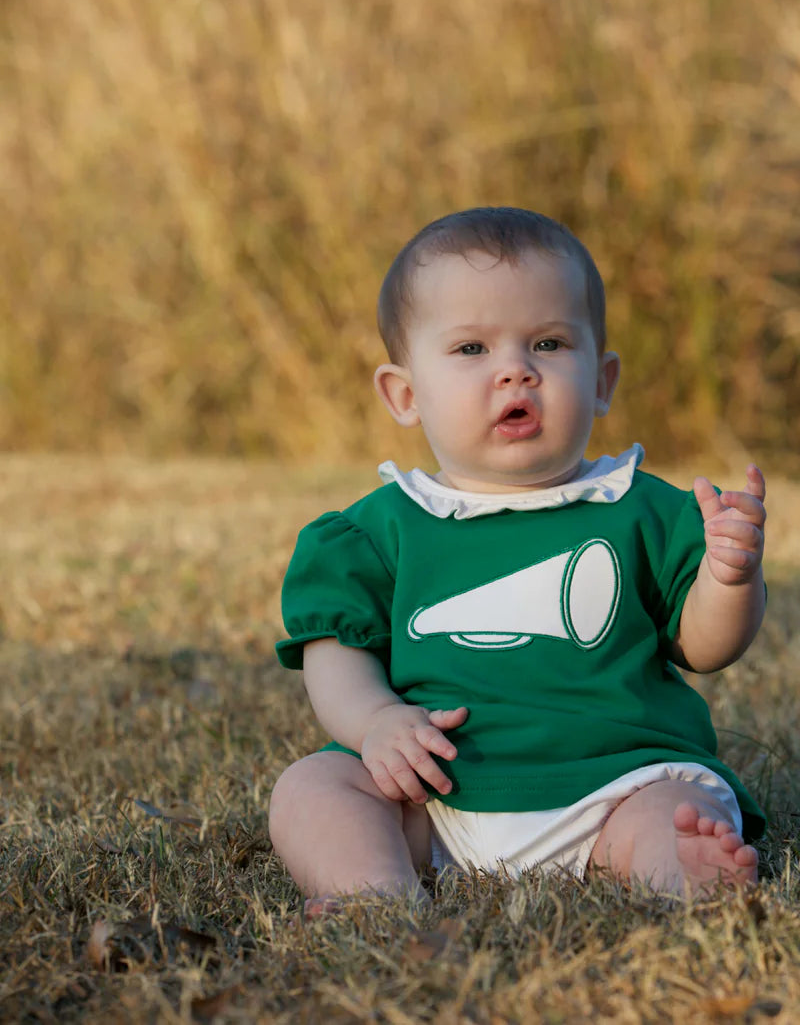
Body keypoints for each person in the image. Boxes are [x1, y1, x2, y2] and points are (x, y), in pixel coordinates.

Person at [269, 207, 767, 914]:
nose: (515, 372)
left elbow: (706, 647)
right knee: (313, 790)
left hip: (614, 783)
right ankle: (376, 897)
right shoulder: (376, 531)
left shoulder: (642, 507)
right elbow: (334, 652)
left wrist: (728, 577)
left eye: (550, 342)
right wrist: (377, 721)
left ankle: (677, 873)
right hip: (436, 795)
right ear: (405, 395)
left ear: (601, 380)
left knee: (675, 807)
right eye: (472, 350)